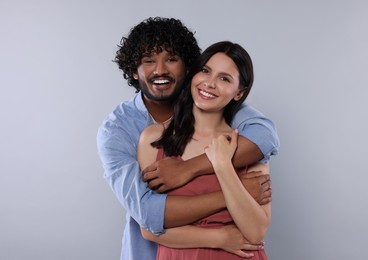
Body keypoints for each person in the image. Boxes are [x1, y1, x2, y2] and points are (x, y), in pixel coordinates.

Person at [97, 17, 279, 260]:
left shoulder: (212, 101)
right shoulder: (120, 130)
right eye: (148, 61)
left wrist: (189, 168)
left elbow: (265, 137)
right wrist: (221, 233)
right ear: (133, 69)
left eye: (171, 59)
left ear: (187, 66)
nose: (160, 69)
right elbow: (149, 214)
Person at [138, 41, 271, 259]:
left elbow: (255, 232)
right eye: (205, 71)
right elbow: (148, 227)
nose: (209, 83)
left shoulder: (248, 146)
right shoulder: (154, 138)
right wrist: (220, 237)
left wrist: (222, 164)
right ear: (193, 74)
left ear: (239, 93)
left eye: (224, 78)